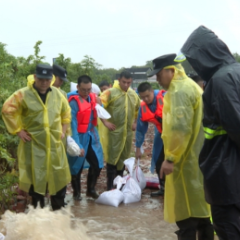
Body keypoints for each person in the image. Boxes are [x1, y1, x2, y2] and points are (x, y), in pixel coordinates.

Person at [179, 25, 240, 240]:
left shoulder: (221, 80)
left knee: (229, 230)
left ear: (204, 56)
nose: (193, 65)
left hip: (226, 177)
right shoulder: (236, 72)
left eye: (193, 60)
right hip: (231, 173)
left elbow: (236, 125)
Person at [148, 54, 213, 239]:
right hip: (199, 159)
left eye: (159, 75)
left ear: (171, 70)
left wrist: (170, 159)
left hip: (186, 162)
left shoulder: (179, 91)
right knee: (202, 213)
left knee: (185, 216)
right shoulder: (191, 86)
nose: (158, 80)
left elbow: (179, 129)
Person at [2, 64, 71, 211]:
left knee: (58, 179)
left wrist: (63, 131)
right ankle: (38, 217)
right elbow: (7, 110)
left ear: (51, 79)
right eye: (41, 79)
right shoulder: (23, 94)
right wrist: (18, 130)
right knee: (36, 182)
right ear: (35, 77)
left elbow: (66, 113)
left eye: (47, 79)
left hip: (54, 145)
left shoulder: (58, 94)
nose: (44, 82)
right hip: (33, 146)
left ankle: (58, 218)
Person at [100, 71, 140, 190]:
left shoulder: (133, 94)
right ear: (118, 80)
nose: (126, 85)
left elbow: (139, 109)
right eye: (124, 82)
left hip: (127, 133)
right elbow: (97, 105)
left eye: (129, 82)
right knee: (112, 159)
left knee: (123, 159)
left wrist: (135, 122)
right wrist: (105, 122)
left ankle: (119, 186)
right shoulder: (110, 93)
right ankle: (109, 187)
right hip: (114, 133)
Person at [67, 75, 104, 200]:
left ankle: (90, 189)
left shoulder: (93, 97)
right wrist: (77, 145)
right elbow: (73, 126)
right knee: (76, 166)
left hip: (92, 135)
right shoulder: (73, 102)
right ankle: (76, 193)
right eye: (83, 90)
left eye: (89, 90)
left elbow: (100, 112)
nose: (86, 93)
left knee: (97, 163)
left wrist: (100, 104)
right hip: (78, 136)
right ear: (78, 87)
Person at [135, 82, 165, 197]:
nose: (145, 99)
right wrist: (138, 147)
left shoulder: (166, 97)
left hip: (175, 133)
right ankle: (163, 188)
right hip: (161, 133)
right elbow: (140, 129)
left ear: (152, 91)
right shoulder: (143, 107)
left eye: (147, 96)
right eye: (142, 97)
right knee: (158, 161)